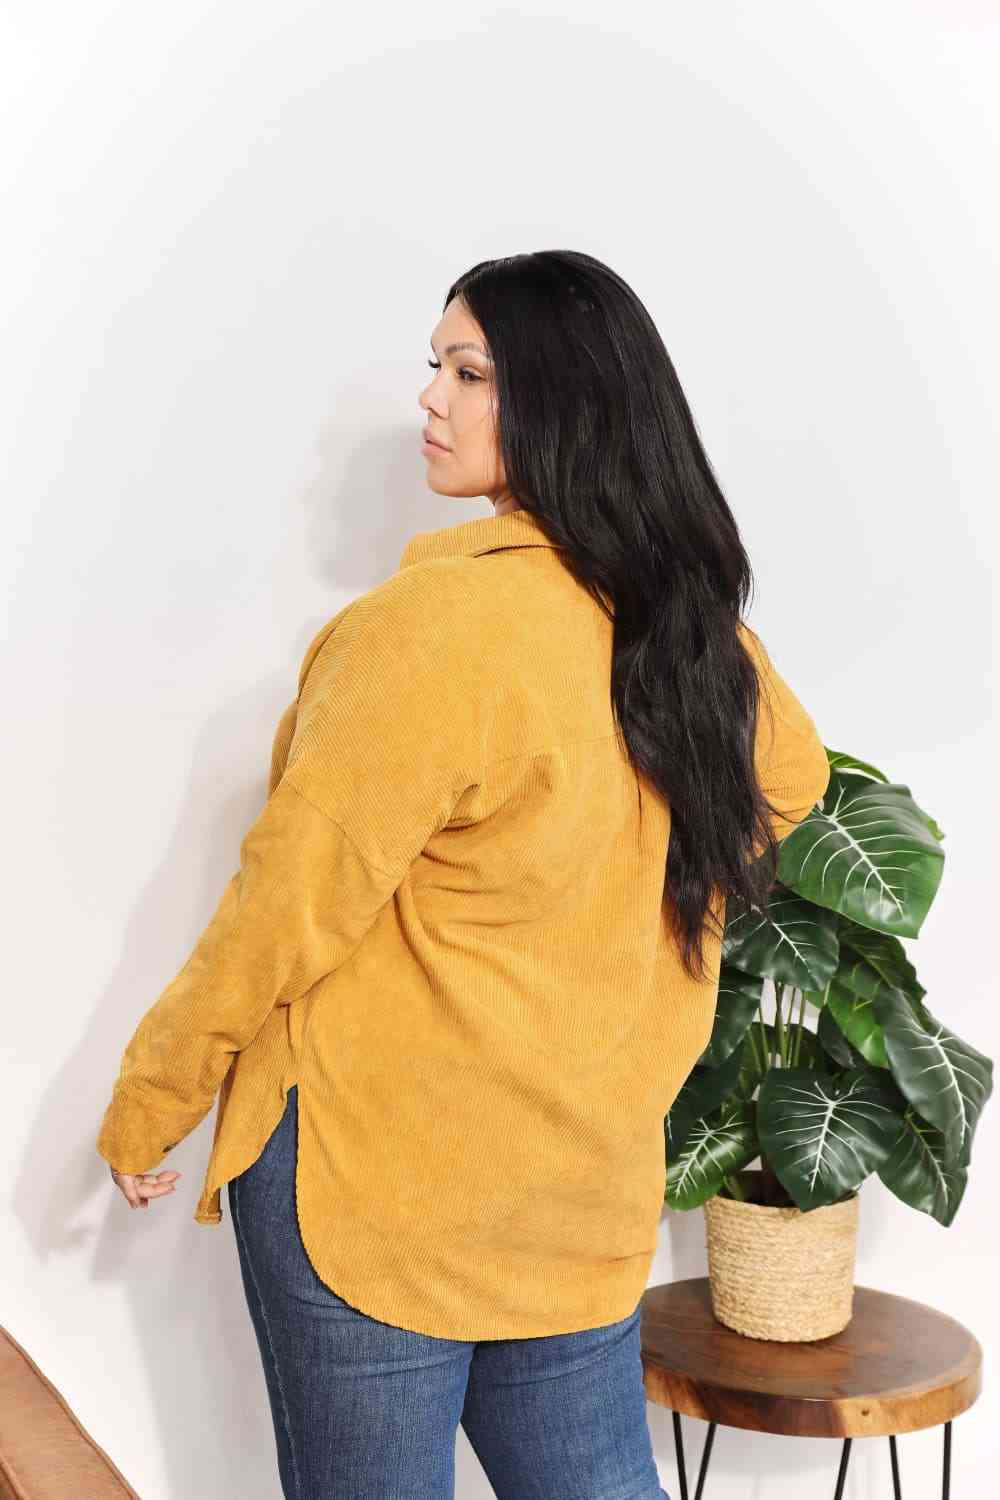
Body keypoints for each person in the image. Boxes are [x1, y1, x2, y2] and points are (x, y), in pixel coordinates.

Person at [98, 249, 830, 1499]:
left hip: (375, 1182)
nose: (429, 398)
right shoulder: (695, 639)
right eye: (435, 366)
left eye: (469, 372)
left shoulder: (428, 632)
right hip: (572, 1183)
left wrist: (154, 1092)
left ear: (565, 400)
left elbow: (287, 900)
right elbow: (791, 782)